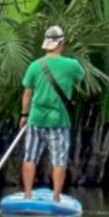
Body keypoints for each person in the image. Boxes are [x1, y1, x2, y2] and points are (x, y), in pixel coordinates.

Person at [19, 25, 85, 202]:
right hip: (58, 121)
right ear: (61, 43)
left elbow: (27, 93)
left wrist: (24, 115)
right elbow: (80, 78)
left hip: (35, 118)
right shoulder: (72, 65)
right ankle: (56, 197)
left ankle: (27, 194)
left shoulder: (34, 66)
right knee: (59, 160)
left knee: (30, 157)